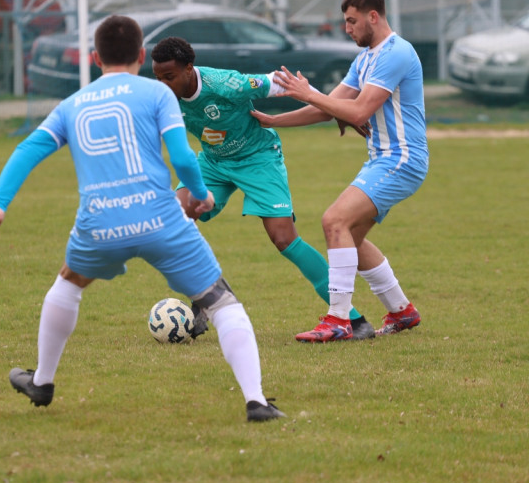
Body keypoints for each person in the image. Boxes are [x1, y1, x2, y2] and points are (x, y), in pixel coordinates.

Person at [0, 15, 284, 423]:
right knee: (220, 301)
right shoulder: (157, 95)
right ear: (141, 56)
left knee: (69, 282)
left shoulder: (72, 104)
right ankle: (256, 401)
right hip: (161, 219)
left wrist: (0, 202)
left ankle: (43, 382)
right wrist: (202, 193)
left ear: (94, 57)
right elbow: (181, 155)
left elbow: (29, 149)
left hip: (100, 222)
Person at [150, 36, 370, 342]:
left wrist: (340, 109)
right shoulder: (161, 96)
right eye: (157, 77)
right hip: (213, 162)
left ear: (189, 69)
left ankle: (353, 320)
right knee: (176, 218)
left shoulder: (226, 84)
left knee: (283, 239)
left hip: (258, 159)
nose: (163, 84)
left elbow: (284, 84)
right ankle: (204, 297)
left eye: (169, 77)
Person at [250, 0, 426, 343]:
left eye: (351, 21)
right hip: (383, 159)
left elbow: (360, 110)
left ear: (372, 17)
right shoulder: (364, 60)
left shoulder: (396, 53)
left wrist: (310, 92)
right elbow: (325, 107)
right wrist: (272, 121)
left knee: (334, 220)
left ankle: (338, 320)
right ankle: (402, 311)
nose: (347, 29)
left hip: (401, 159)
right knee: (350, 238)